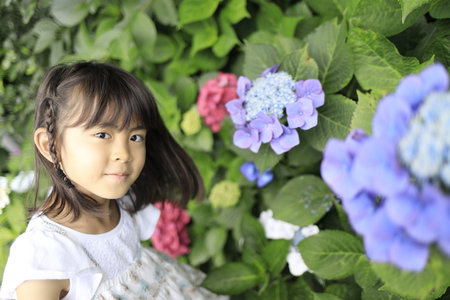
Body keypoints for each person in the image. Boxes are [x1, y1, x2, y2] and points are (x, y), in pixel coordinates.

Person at [0, 61, 227, 300]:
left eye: (135, 136)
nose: (124, 153)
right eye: (102, 134)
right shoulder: (45, 256)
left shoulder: (119, 202)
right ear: (50, 145)